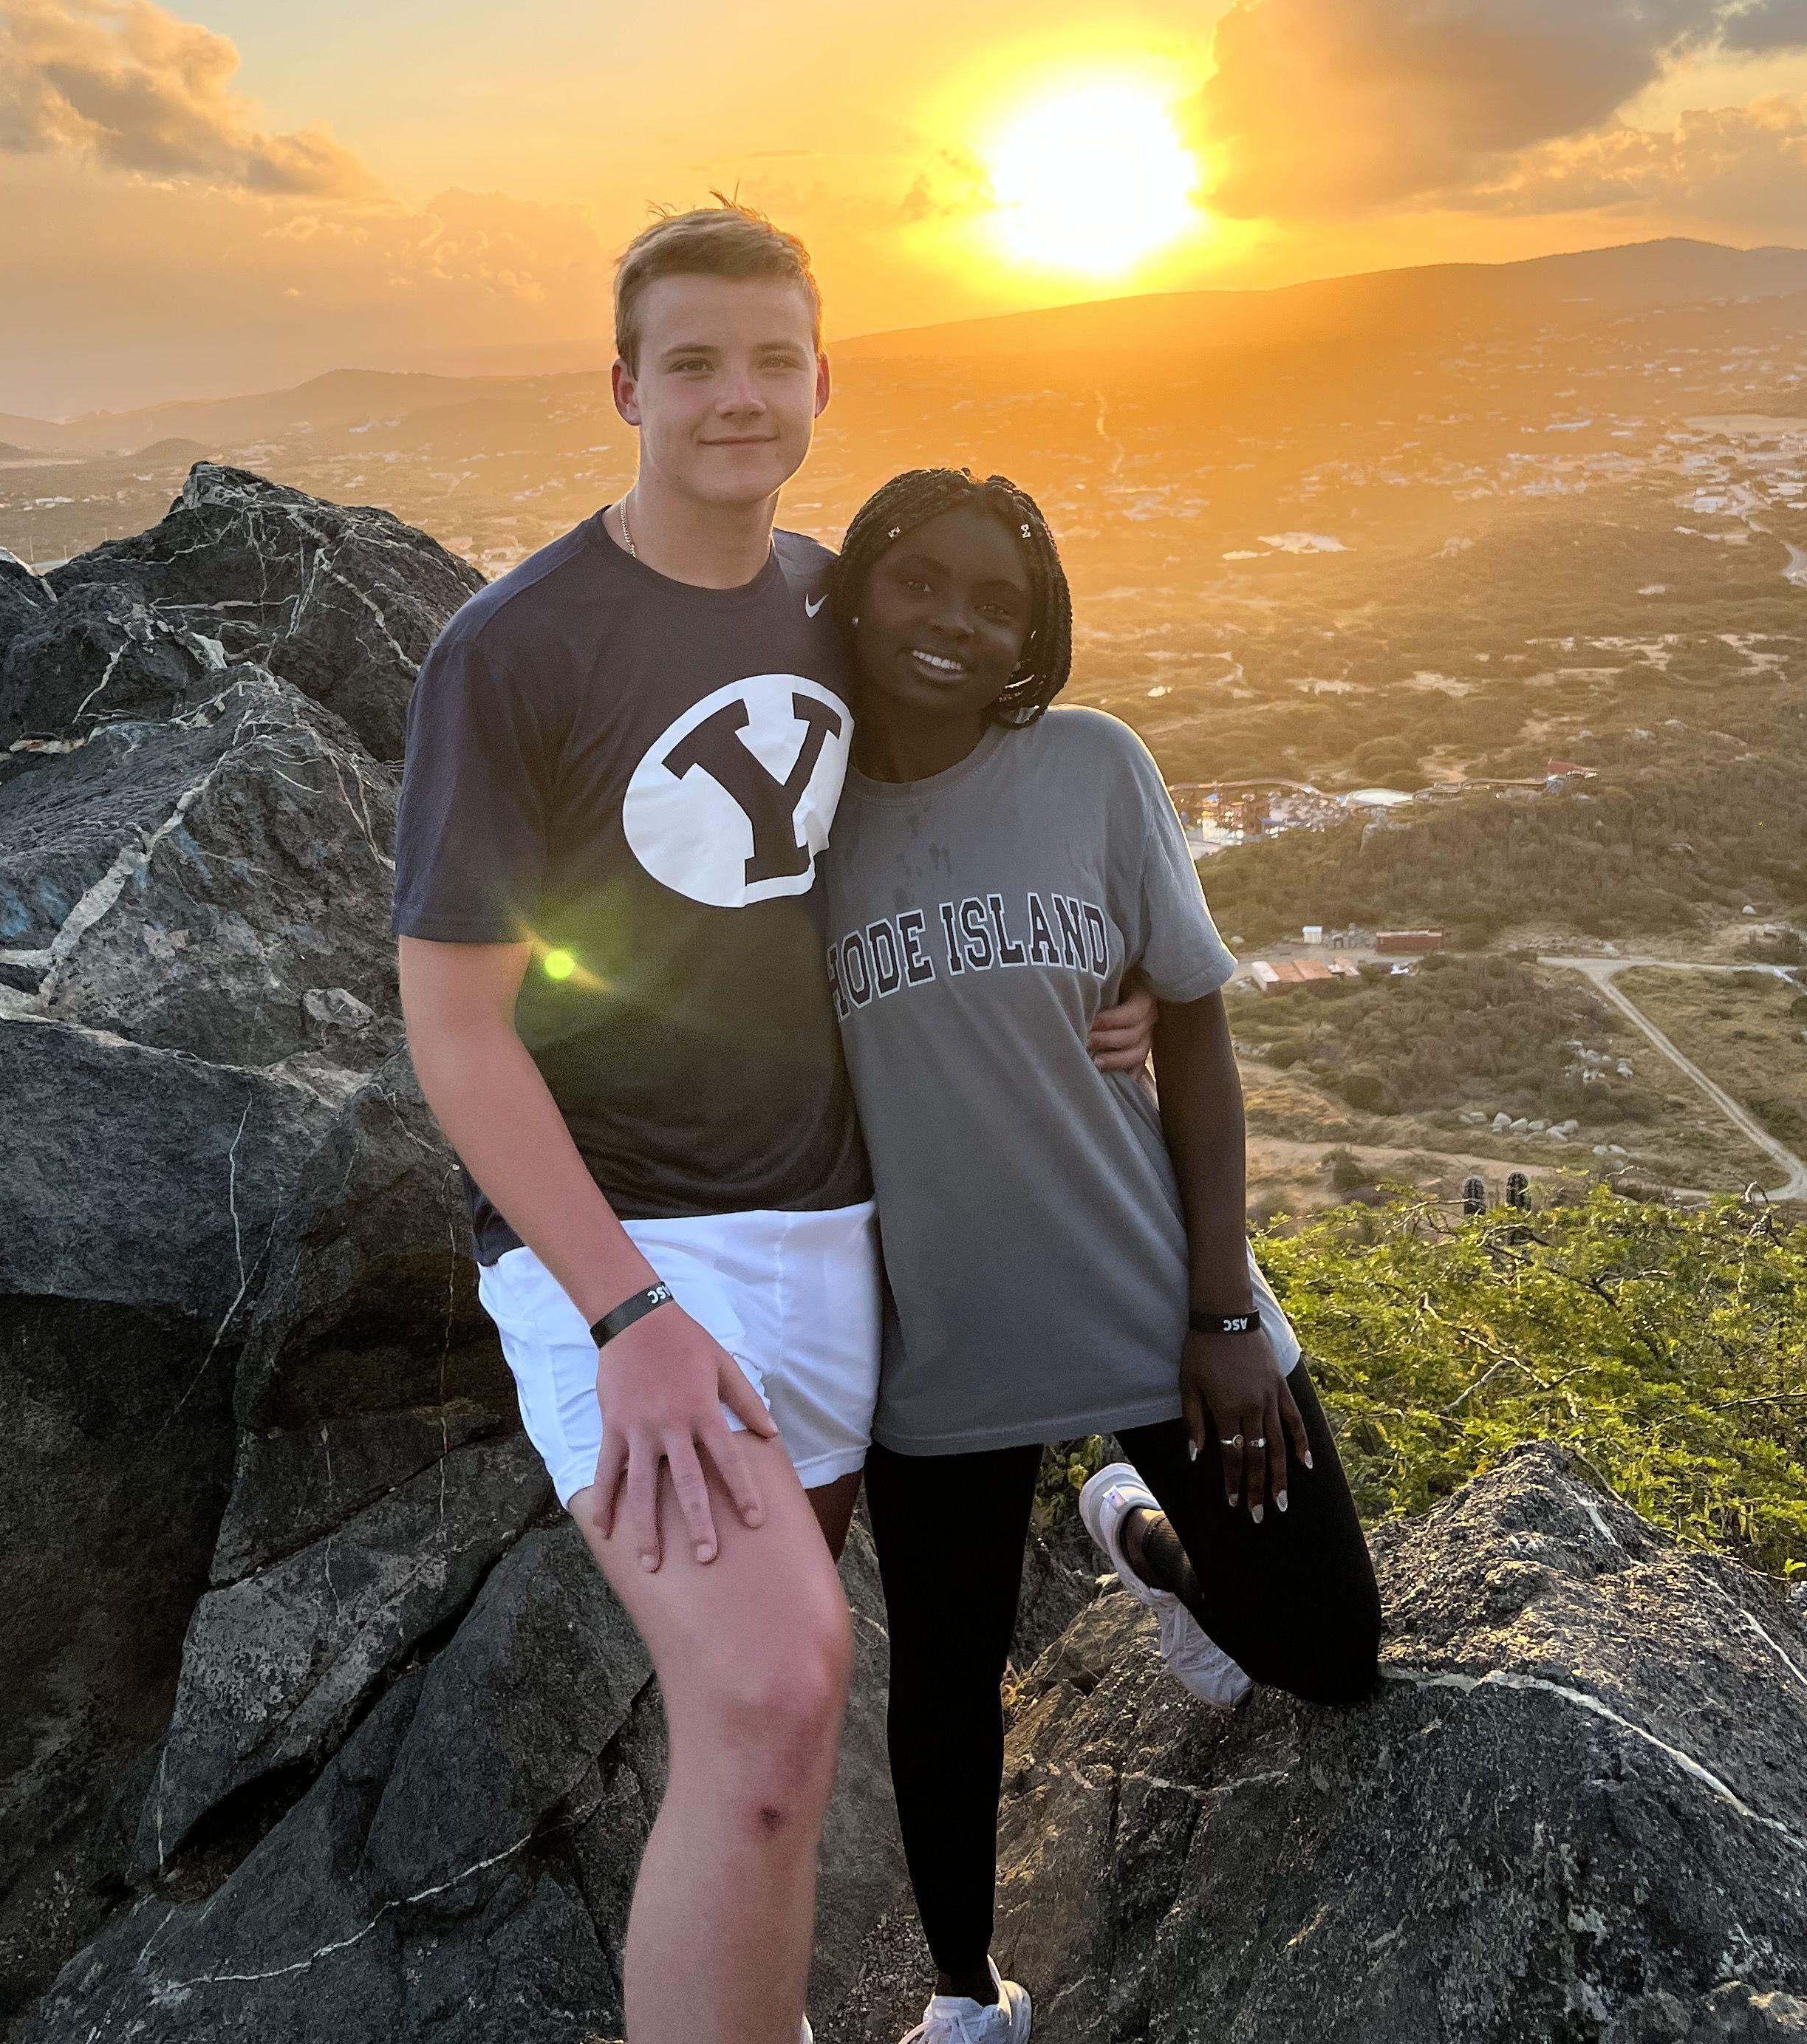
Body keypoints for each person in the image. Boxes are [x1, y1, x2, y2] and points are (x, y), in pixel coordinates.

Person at [392, 209, 1150, 2044]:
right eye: (694, 363)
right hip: (638, 1250)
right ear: (625, 386)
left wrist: (1103, 979)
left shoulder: (835, 603)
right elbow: (458, 1031)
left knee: (764, 1747)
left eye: (770, 361)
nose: (736, 396)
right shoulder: (514, 652)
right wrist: (628, 1316)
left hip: (836, 1234)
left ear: (822, 381)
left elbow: (954, 829)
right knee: (782, 1691)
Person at [820, 467, 1385, 2044]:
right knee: (947, 1685)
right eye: (917, 580)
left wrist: (1225, 1311)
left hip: (1157, 1303)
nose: (953, 621)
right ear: (856, 588)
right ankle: (963, 2003)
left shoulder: (1090, 765)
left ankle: (1148, 1549)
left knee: (1331, 1651)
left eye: (997, 601)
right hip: (939, 1347)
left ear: (1037, 633)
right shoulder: (800, 825)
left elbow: (1192, 1033)